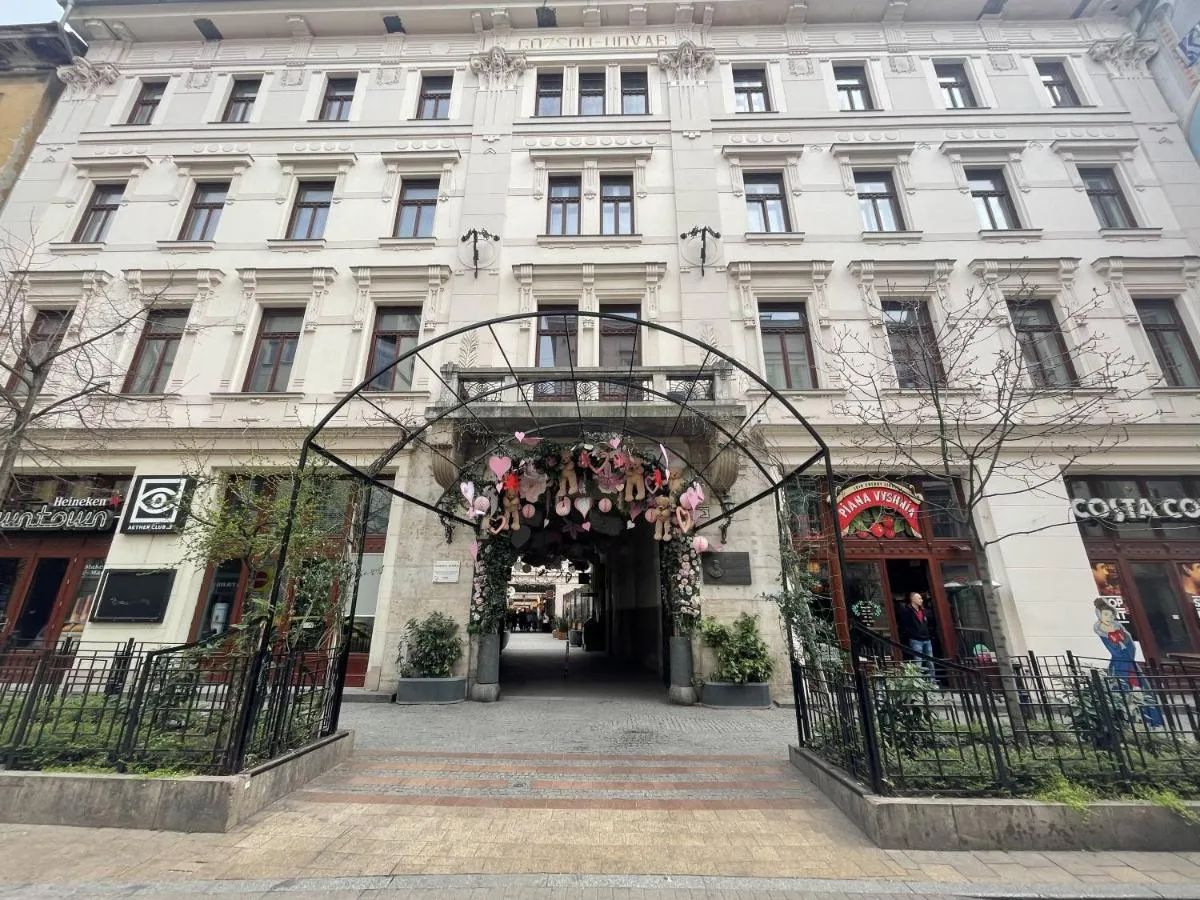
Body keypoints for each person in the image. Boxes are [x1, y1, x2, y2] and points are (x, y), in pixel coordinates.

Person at [896, 592, 936, 681]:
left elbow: (929, 623)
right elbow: (904, 624)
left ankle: (932, 681)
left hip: (927, 639)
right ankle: (919, 682)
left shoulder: (924, 611)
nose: (921, 600)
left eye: (921, 599)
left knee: (930, 661)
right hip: (915, 639)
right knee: (918, 662)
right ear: (913, 599)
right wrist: (910, 633)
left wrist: (930, 633)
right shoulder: (907, 611)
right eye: (919, 598)